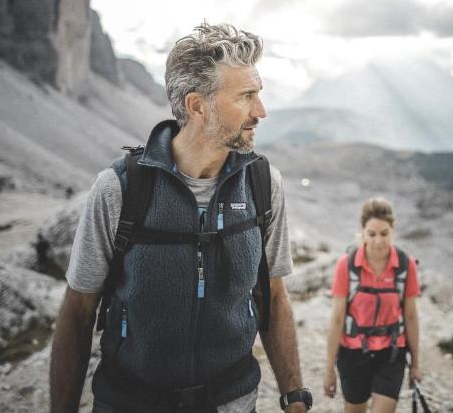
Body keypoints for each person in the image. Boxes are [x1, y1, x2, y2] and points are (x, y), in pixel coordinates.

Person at [50, 23, 311, 413]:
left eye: (258, 94)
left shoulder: (262, 184)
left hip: (232, 403)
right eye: (246, 97)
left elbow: (273, 297)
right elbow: (77, 313)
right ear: (197, 106)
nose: (261, 111)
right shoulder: (119, 189)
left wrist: (294, 396)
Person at [323, 198, 421, 413]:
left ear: (393, 230)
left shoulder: (406, 266)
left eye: (384, 233)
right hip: (353, 353)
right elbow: (337, 319)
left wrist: (415, 364)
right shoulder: (347, 265)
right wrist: (329, 369)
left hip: (391, 353)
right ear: (362, 232)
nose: (378, 241)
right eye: (372, 234)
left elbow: (411, 316)